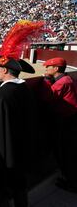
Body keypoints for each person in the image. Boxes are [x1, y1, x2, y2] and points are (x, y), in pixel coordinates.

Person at [0, 20, 45, 207]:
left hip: (5, 153)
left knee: (1, 188)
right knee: (19, 186)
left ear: (3, 69)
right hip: (23, 149)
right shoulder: (25, 89)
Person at [42, 57, 77, 192]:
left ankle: (72, 182)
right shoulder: (69, 79)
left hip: (65, 120)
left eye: (48, 67)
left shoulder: (62, 82)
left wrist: (45, 80)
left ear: (56, 69)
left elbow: (47, 97)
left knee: (66, 151)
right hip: (71, 118)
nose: (46, 69)